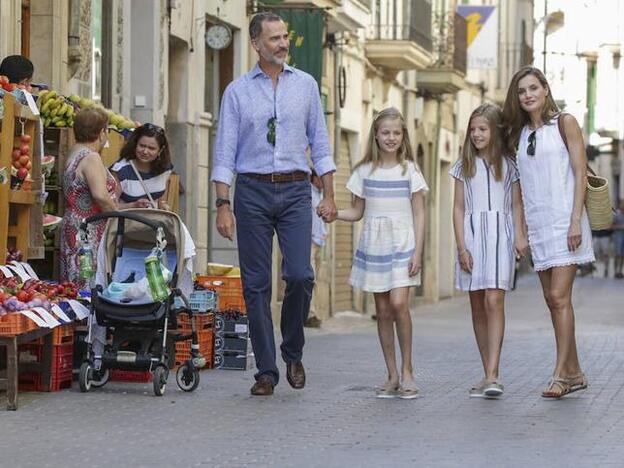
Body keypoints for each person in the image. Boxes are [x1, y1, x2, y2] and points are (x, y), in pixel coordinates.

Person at [211, 11, 337, 397]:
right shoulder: (237, 92)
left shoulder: (306, 86)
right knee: (256, 284)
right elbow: (224, 152)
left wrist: (330, 194)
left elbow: (321, 143)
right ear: (255, 44)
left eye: (285, 37)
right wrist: (222, 203)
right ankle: (266, 369)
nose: (282, 44)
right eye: (274, 39)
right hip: (251, 191)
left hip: (297, 190)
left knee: (300, 275)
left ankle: (293, 350)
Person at [503, 66, 594, 398]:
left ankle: (559, 375)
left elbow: (580, 171)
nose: (527, 95)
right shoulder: (520, 135)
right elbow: (522, 187)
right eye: (521, 91)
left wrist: (574, 220)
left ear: (545, 89)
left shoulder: (565, 123)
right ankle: (575, 371)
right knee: (552, 301)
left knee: (559, 297)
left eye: (532, 88)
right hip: (539, 226)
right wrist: (521, 231)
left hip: (565, 223)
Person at [334, 108, 427, 399]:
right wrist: (333, 213)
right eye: (385, 132)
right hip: (375, 246)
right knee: (383, 311)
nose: (391, 138)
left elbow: (420, 214)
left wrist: (418, 253)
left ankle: (408, 369)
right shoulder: (363, 171)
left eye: (396, 133)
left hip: (403, 244)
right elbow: (357, 212)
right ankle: (392, 375)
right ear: (376, 134)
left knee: (400, 304)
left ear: (403, 136)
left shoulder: (409, 169)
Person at [451, 104, 528, 398]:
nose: (476, 134)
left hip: (501, 236)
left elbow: (516, 204)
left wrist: (520, 235)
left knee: (495, 301)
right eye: (472, 130)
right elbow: (457, 208)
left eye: (482, 129)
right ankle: (486, 373)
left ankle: (494, 374)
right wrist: (461, 247)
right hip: (470, 237)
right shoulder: (462, 166)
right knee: (477, 305)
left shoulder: (510, 165)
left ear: (495, 131)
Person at [60, 107, 118, 290]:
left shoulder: (73, 154)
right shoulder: (91, 157)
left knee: (74, 280)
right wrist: (118, 217)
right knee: (87, 281)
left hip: (74, 225)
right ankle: (87, 318)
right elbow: (100, 195)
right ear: (101, 132)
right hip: (88, 232)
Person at [110, 123, 173, 211]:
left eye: (151, 148)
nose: (145, 151)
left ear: (160, 150)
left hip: (152, 223)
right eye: (142, 146)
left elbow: (159, 198)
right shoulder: (120, 170)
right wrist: (133, 205)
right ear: (135, 144)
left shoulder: (165, 168)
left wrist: (163, 206)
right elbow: (109, 207)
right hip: (126, 222)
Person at [305, 169, 326, 328]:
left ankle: (314, 313)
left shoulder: (320, 194)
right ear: (313, 179)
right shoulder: (308, 194)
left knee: (316, 281)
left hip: (319, 242)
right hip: (309, 242)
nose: (323, 181)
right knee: (309, 280)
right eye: (320, 178)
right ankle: (309, 315)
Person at [613, 201, 624, 279]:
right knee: (618, 255)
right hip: (618, 237)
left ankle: (620, 271)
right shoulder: (616, 214)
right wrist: (620, 227)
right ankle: (616, 271)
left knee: (622, 256)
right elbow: (610, 226)